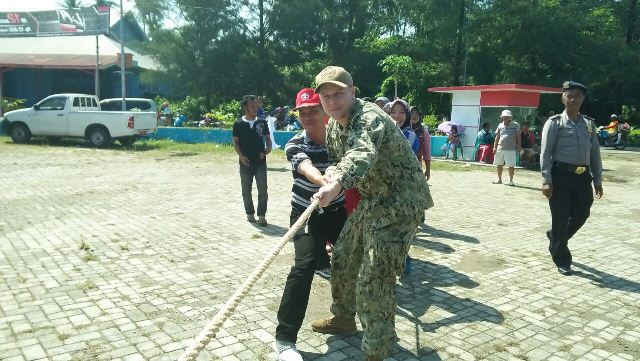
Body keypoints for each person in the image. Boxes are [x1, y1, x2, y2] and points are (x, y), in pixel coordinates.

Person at [309, 66, 433, 361]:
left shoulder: (369, 117)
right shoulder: (333, 126)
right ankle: (344, 319)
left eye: (339, 94)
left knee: (374, 277)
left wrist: (337, 183)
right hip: (373, 198)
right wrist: (333, 175)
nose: (333, 101)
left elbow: (360, 155)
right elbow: (342, 160)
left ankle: (377, 350)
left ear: (353, 92)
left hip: (402, 202)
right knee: (343, 255)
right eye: (326, 96)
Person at [273, 88, 347, 361]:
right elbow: (306, 168)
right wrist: (325, 182)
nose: (306, 117)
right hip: (306, 212)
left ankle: (346, 317)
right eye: (302, 112)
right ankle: (284, 339)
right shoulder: (295, 143)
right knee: (303, 267)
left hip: (338, 212)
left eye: (313, 110)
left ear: (325, 111)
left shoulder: (343, 140)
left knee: (353, 261)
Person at [540, 81, 603, 276]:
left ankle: (556, 237)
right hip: (561, 176)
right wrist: (546, 179)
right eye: (569, 95)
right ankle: (562, 258)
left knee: (582, 213)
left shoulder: (590, 125)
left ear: (582, 99)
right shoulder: (555, 123)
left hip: (583, 177)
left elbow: (595, 154)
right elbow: (545, 153)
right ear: (563, 98)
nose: (573, 99)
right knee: (560, 217)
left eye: (577, 95)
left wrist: (598, 179)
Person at [232, 95, 272, 226]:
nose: (255, 108)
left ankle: (262, 215)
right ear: (245, 107)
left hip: (260, 162)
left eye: (256, 106)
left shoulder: (262, 122)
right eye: (252, 106)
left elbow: (267, 138)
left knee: (263, 190)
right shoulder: (238, 123)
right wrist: (241, 156)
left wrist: (268, 148)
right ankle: (249, 213)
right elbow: (236, 143)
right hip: (245, 163)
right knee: (246, 190)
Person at [493, 109, 521, 186]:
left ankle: (511, 180)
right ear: (502, 117)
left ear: (510, 117)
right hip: (500, 148)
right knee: (499, 164)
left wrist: (519, 146)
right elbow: (497, 137)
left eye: (506, 116)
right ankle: (499, 179)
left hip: (511, 148)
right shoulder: (500, 125)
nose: (505, 118)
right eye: (504, 116)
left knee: (511, 165)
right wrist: (494, 147)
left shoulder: (515, 124)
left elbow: (518, 136)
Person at [411, 106, 431, 179]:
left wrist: (428, 170)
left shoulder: (423, 132)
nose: (414, 115)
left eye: (417, 114)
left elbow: (427, 152)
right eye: (412, 113)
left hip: (417, 165)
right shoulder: (401, 130)